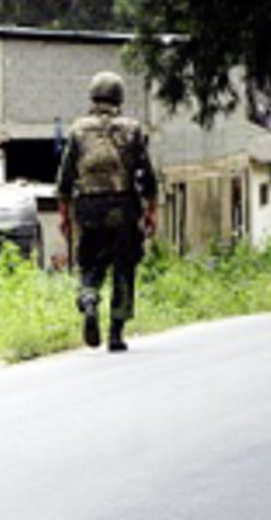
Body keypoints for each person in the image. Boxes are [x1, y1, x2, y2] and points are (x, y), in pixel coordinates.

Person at [56, 71, 157, 352]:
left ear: (93, 96)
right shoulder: (132, 129)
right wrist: (151, 210)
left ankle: (88, 298)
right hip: (124, 205)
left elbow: (65, 177)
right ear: (119, 97)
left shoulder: (78, 130)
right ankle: (116, 332)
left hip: (88, 206)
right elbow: (146, 174)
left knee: (90, 262)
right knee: (124, 266)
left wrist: (64, 214)